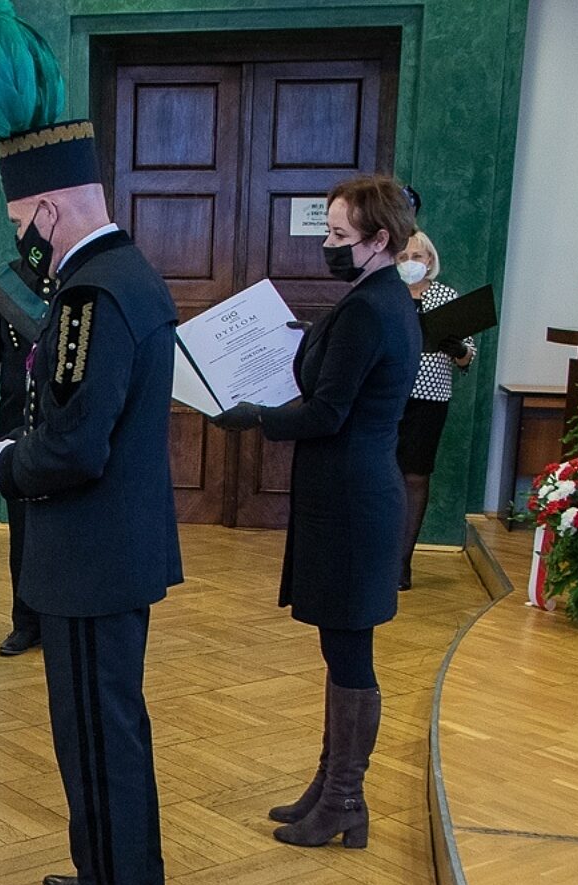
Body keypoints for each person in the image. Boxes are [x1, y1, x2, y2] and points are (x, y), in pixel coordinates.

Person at [0, 2, 182, 885]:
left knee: (93, 729)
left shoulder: (88, 293)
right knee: (115, 720)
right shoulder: (128, 274)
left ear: (46, 209)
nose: (21, 239)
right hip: (114, 550)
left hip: (89, 555)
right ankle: (127, 873)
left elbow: (74, 447)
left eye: (19, 222)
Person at [210, 175, 420, 850]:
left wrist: (257, 418)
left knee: (350, 652)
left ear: (378, 239)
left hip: (353, 501)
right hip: (354, 494)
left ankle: (345, 801)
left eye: (338, 235)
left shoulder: (371, 308)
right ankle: (330, 786)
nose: (327, 245)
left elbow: (328, 413)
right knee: (341, 647)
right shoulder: (382, 297)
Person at [0, 255, 53, 656]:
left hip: (64, 428)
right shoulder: (6, 284)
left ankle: (59, 619)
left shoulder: (79, 276)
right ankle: (26, 621)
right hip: (16, 426)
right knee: (22, 531)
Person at [395, 229, 476, 589]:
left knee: (415, 476)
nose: (410, 263)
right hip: (388, 396)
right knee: (383, 474)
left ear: (430, 260)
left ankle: (402, 561)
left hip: (429, 400)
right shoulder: (387, 294)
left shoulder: (446, 296)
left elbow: (468, 357)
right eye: (402, 257)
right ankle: (376, 556)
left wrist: (458, 348)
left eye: (417, 256)